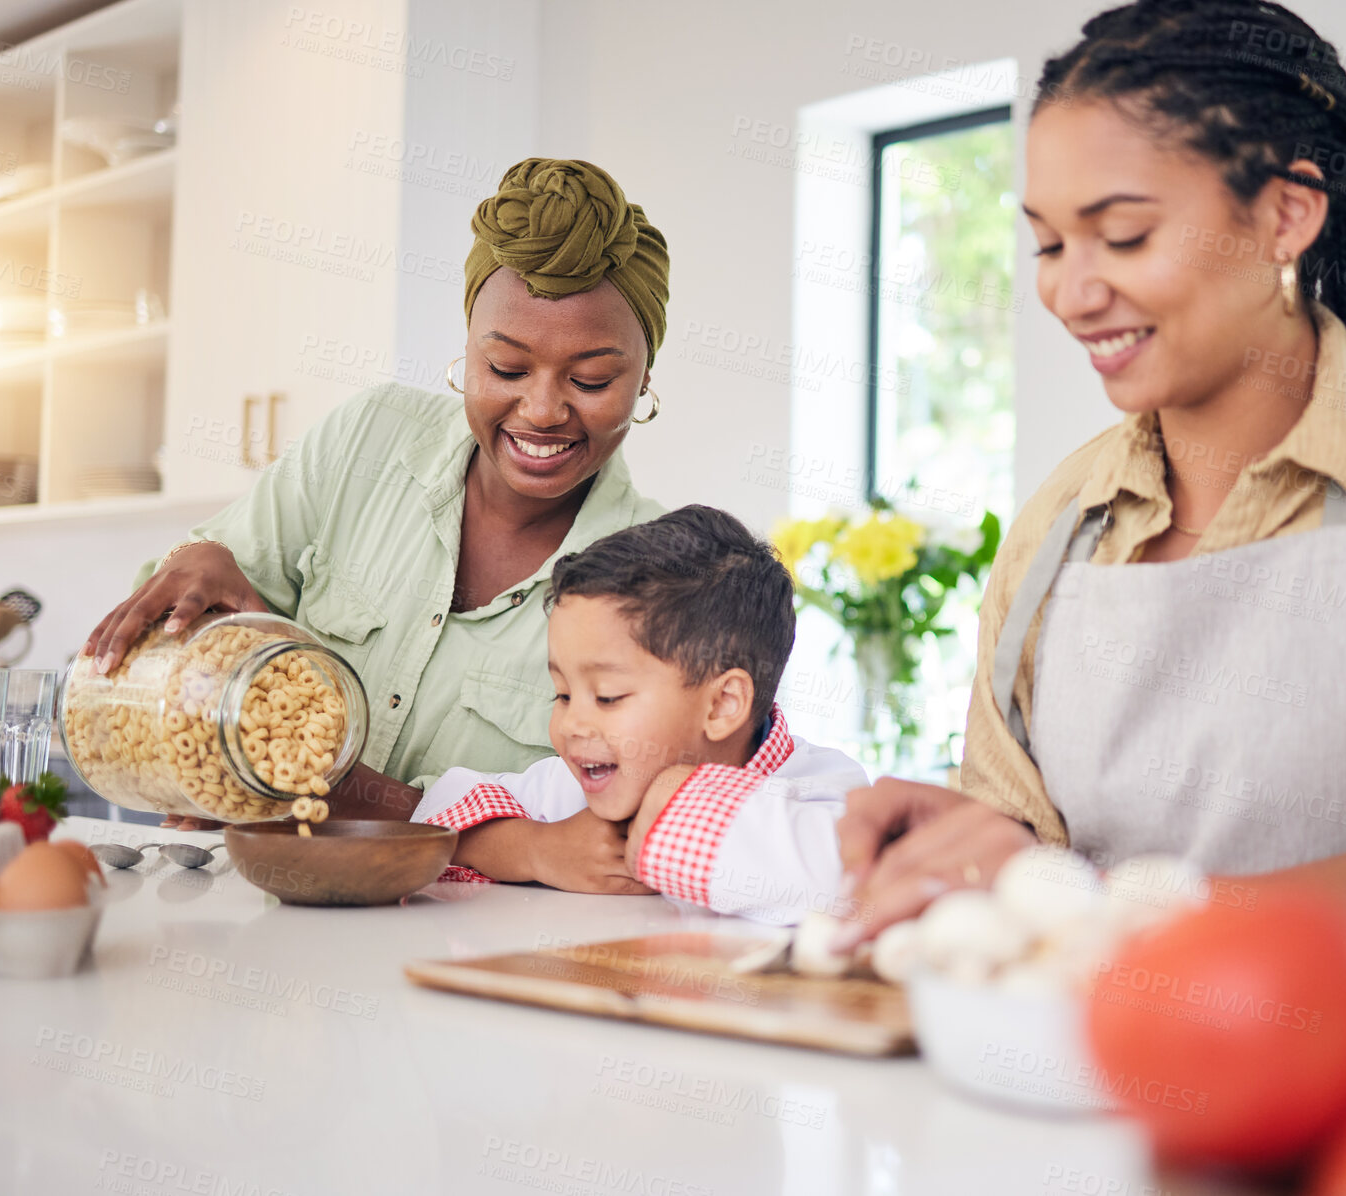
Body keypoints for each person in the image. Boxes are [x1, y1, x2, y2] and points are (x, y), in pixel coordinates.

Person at [835, 0, 1346, 950]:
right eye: (1049, 244)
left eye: (1123, 235)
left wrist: (1088, 908)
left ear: (1285, 215)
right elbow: (1017, 839)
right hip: (1070, 1069)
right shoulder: (1064, 516)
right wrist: (956, 860)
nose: (1070, 292)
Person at [81, 159, 671, 828]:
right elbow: (167, 661)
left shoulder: (656, 580)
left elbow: (595, 834)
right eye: (506, 367)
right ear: (468, 351)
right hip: (265, 895)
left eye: (591, 380)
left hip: (475, 931)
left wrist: (345, 791)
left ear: (645, 378)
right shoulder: (372, 438)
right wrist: (200, 571)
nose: (540, 410)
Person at [412, 505, 869, 922]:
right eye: (563, 694)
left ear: (723, 704)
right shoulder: (573, 791)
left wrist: (681, 797)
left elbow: (854, 877)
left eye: (608, 697)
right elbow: (438, 817)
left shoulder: (825, 789)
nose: (572, 724)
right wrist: (537, 849)